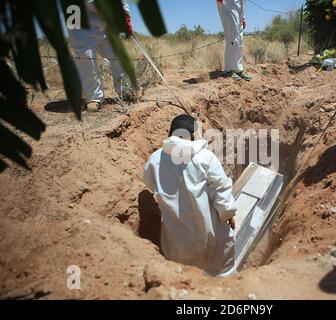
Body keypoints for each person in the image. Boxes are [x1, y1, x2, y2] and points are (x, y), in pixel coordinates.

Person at [142, 114, 237, 276]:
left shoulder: (154, 160)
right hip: (211, 240)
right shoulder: (205, 157)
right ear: (192, 135)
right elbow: (221, 188)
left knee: (187, 281)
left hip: (178, 246)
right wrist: (228, 213)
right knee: (223, 278)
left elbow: (149, 183)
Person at [68, 0, 133, 112]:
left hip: (104, 21)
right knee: (86, 58)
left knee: (116, 54)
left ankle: (124, 91)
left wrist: (125, 14)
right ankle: (93, 97)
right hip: (78, 20)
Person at [217, 0, 252, 81]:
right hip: (228, 4)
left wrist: (243, 17)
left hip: (239, 7)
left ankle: (238, 69)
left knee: (239, 40)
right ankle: (228, 70)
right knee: (232, 38)